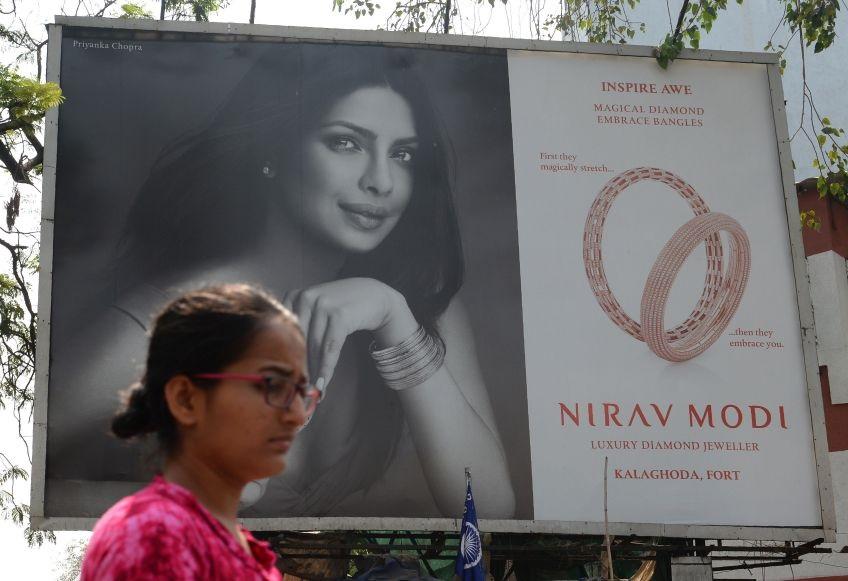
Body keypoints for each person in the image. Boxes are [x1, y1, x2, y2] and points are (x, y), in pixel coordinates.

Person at [66, 43, 516, 518]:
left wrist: (392, 317)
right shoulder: (166, 324)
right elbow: (31, 485)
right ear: (274, 149)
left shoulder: (418, 305)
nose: (381, 181)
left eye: (402, 154)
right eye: (347, 143)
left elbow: (489, 512)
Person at [81, 283, 317, 580]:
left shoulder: (238, 549)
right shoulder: (155, 539)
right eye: (273, 384)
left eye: (301, 391)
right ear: (186, 399)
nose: (297, 414)